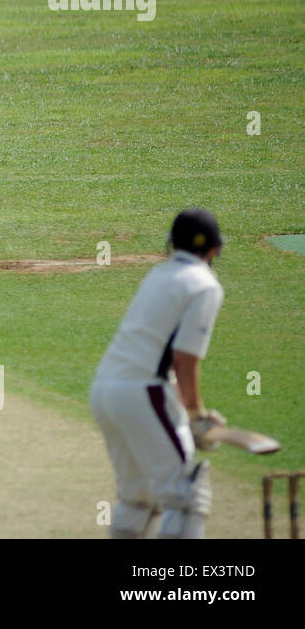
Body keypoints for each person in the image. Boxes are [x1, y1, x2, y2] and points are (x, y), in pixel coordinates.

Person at [89, 207, 227, 539]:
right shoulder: (205, 285)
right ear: (215, 249)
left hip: (105, 390)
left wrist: (188, 412)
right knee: (186, 496)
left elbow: (155, 353)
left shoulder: (157, 274)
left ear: (172, 244)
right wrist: (195, 416)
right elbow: (184, 358)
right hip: (142, 393)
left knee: (138, 500)